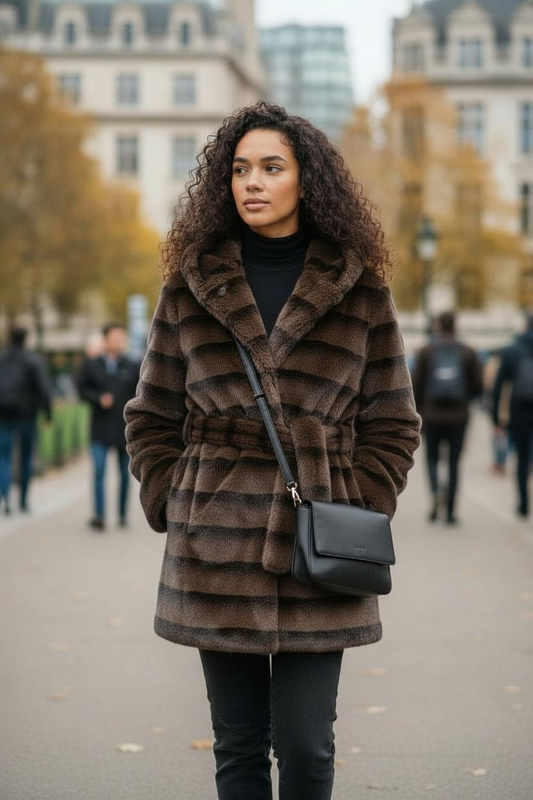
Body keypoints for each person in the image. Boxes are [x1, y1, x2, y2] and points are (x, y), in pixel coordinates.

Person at [124, 101, 421, 800]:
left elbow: (393, 420)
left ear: (305, 181)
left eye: (270, 167)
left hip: (321, 544)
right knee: (237, 747)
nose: (251, 182)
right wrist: (174, 497)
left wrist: (359, 503)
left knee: (307, 747)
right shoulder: (190, 285)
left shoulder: (359, 290)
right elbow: (150, 413)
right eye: (238, 169)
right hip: (214, 540)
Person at [412, 311, 483, 525]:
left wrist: (420, 411)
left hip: (432, 416)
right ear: (455, 326)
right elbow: (478, 386)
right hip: (458, 416)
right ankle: (451, 511)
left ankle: (436, 495)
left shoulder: (426, 351)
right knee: (453, 462)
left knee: (432, 459)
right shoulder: (468, 352)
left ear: (437, 327)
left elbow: (416, 387)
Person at [76, 323, 139, 530]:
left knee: (124, 473)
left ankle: (122, 514)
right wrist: (97, 398)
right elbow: (81, 389)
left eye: (121, 338)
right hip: (100, 429)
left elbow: (141, 394)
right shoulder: (91, 365)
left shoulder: (133, 366)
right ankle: (100, 515)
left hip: (123, 429)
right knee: (99, 470)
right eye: (114, 337)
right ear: (105, 340)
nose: (118, 342)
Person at [0, 326, 52, 515]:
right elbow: (43, 390)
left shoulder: (2, 359)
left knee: (3, 458)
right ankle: (22, 500)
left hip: (3, 416)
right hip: (27, 416)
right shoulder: (32, 360)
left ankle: (5, 498)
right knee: (25, 457)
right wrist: (48, 414)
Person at [492, 312, 533, 518]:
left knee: (522, 457)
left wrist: (496, 418)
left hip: (520, 411)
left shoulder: (512, 351)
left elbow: (499, 386)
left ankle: (524, 504)